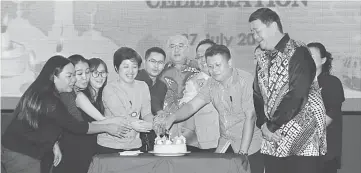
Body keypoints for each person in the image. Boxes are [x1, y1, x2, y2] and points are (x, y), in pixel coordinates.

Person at [1, 55, 129, 173]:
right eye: (69, 76)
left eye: (75, 75)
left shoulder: (48, 93)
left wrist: (54, 143)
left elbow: (43, 123)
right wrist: (107, 127)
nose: (74, 80)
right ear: (54, 77)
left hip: (25, 152)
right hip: (22, 154)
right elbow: (77, 126)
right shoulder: (50, 100)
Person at [157, 44, 264, 173]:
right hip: (226, 141)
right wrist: (172, 117)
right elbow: (192, 106)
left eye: (218, 65)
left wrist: (242, 153)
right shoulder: (211, 83)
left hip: (249, 143)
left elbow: (250, 117)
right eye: (210, 66)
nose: (214, 70)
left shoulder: (245, 80)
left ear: (229, 62)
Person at [249, 8, 326, 173]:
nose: (254, 37)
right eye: (252, 33)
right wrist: (263, 123)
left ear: (273, 26)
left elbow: (297, 94)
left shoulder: (298, 51)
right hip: (272, 138)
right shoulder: (262, 56)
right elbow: (257, 93)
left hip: (302, 141)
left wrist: (271, 126)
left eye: (257, 31)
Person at [97, 47, 154, 154]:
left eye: (134, 67)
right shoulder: (109, 89)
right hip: (110, 145)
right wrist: (141, 124)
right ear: (116, 68)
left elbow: (147, 113)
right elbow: (123, 117)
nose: (131, 71)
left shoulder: (143, 86)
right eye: (126, 66)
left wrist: (154, 123)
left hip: (135, 145)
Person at [308, 42, 345, 173]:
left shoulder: (332, 82)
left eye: (311, 56)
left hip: (325, 152)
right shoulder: (298, 83)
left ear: (323, 60)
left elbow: (330, 115)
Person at [178, 39, 220, 152]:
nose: (202, 60)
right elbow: (186, 104)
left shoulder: (230, 77)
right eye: (199, 57)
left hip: (233, 140)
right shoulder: (193, 82)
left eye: (206, 55)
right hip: (209, 142)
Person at [160, 34, 199, 139]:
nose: (176, 50)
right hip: (168, 125)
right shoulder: (161, 70)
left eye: (180, 46)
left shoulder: (198, 68)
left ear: (187, 49)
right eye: (172, 46)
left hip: (193, 124)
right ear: (168, 50)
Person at [135, 47, 167, 152]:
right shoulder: (135, 78)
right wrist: (160, 111)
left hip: (152, 134)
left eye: (160, 62)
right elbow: (149, 98)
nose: (156, 65)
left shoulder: (162, 86)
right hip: (133, 134)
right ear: (144, 62)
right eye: (152, 61)